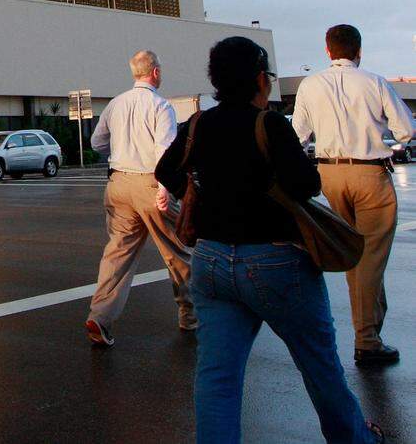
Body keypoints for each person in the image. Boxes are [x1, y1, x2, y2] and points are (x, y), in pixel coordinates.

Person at [156, 37, 383, 444]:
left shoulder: (199, 124)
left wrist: (197, 191)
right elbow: (306, 184)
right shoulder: (270, 125)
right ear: (260, 79)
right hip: (275, 261)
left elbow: (164, 168)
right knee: (319, 366)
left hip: (210, 260)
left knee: (217, 377)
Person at [291, 23, 414, 366]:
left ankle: (370, 327)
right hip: (369, 172)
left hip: (328, 173)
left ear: (328, 51)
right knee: (371, 256)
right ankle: (367, 340)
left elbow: (296, 135)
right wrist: (392, 146)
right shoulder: (374, 82)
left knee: (350, 250)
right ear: (359, 51)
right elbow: (406, 129)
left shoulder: (310, 84)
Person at [85, 49, 195, 347]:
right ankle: (190, 315)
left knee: (117, 253)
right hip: (150, 183)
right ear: (155, 72)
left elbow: (96, 143)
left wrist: (121, 154)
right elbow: (165, 151)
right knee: (176, 250)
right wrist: (164, 189)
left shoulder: (116, 104)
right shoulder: (161, 106)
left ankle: (101, 316)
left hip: (118, 184)